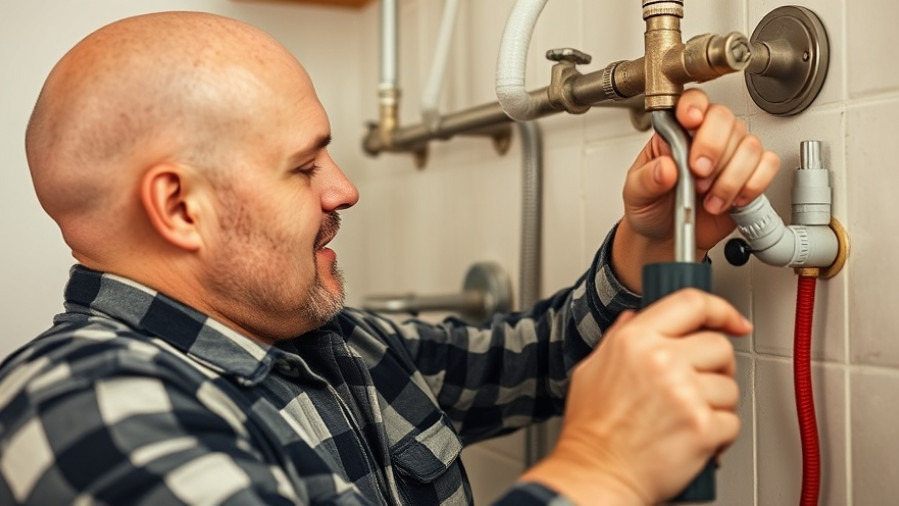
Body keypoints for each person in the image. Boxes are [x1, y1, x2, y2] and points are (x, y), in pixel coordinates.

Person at [0, 10, 778, 506]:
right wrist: (599, 472)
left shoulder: (335, 348)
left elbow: (540, 362)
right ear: (179, 207)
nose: (342, 192)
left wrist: (646, 236)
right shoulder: (83, 414)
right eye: (303, 167)